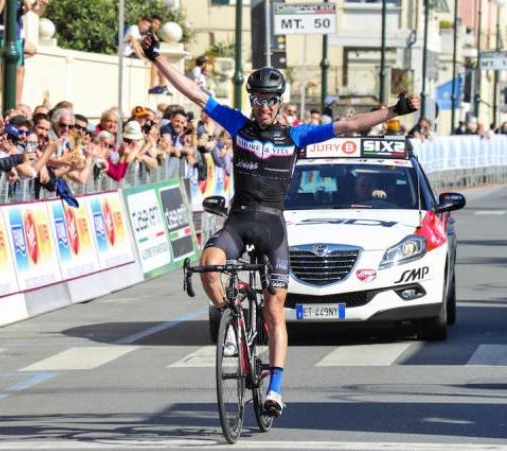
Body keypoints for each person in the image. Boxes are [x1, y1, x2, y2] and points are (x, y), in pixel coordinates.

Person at [140, 31, 420, 417]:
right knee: (208, 265)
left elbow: (351, 125)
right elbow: (195, 94)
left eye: (269, 100)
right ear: (251, 101)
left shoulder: (296, 135)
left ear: (279, 101)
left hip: (272, 226)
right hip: (238, 221)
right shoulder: (238, 125)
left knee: (274, 309)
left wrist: (393, 110)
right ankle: (234, 322)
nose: (263, 106)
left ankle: (274, 389)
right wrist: (157, 59)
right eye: (257, 100)